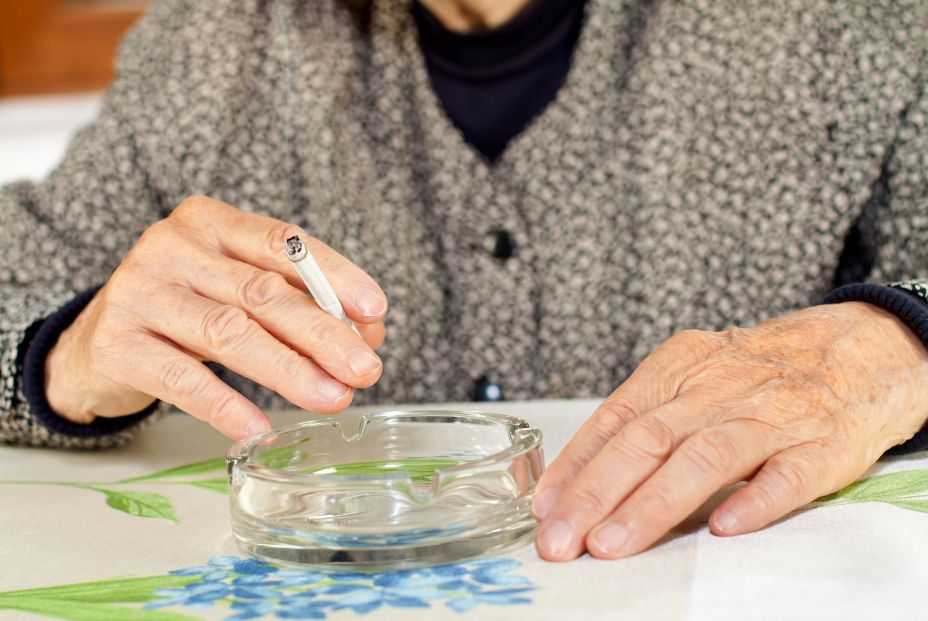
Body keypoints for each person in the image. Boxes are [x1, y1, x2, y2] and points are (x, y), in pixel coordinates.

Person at [1, 0, 927, 564]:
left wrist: (898, 342)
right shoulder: (216, 44)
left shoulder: (847, 29)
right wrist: (63, 355)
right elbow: (23, 267)